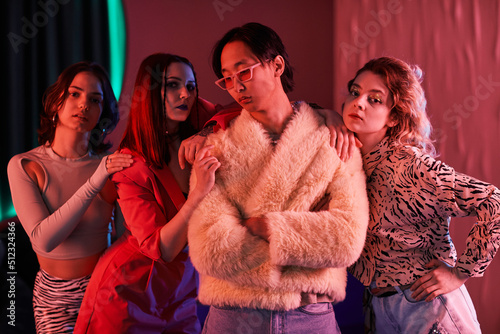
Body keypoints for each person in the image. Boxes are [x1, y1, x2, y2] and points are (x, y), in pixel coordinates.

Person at [186, 22, 370, 334]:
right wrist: (303, 242)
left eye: (243, 71)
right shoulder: (216, 150)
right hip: (234, 319)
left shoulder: (335, 142)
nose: (236, 86)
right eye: (227, 78)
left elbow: (346, 239)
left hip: (310, 316)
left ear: (277, 65)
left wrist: (264, 226)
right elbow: (209, 250)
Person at [343, 56, 500, 333]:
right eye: (355, 92)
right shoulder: (349, 161)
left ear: (393, 116)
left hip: (427, 306)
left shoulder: (411, 166)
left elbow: (493, 201)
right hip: (378, 308)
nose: (359, 102)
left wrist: (460, 272)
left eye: (374, 99)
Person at [74, 53, 221, 334]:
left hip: (182, 292)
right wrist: (198, 194)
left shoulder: (198, 123)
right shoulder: (130, 164)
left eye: (191, 87)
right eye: (173, 85)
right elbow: (161, 249)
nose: (184, 95)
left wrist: (322, 113)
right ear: (152, 91)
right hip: (127, 292)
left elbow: (242, 110)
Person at [7, 61, 133, 333]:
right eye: (74, 94)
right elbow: (43, 240)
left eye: (94, 99)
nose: (84, 104)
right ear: (55, 103)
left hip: (104, 289)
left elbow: (126, 238)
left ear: (103, 112)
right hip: (54, 299)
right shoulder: (24, 164)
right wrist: (96, 179)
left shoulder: (112, 166)